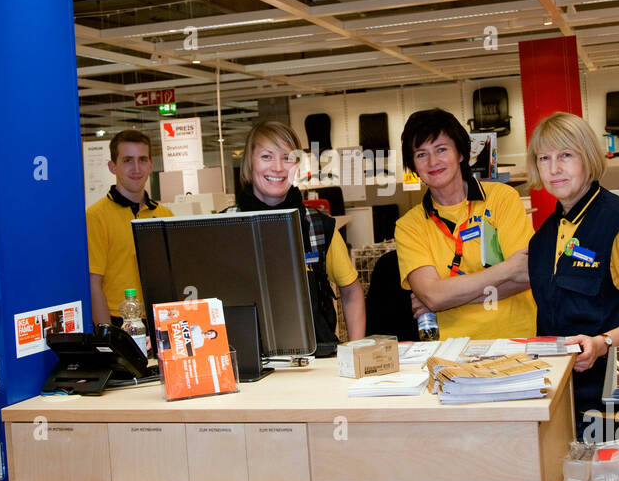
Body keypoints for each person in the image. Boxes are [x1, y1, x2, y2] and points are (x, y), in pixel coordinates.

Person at [526, 112, 619, 426]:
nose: (554, 168)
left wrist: (604, 343)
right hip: (565, 395)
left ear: (587, 158)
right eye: (544, 158)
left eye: (565, 156)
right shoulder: (545, 235)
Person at [393, 109, 534, 339]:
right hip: (451, 351)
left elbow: (527, 275)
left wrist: (447, 298)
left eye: (441, 149)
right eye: (421, 154)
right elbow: (432, 297)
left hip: (516, 340)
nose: (433, 162)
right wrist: (506, 270)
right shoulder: (409, 226)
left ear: (460, 153)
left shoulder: (501, 198)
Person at [228, 120, 364, 350]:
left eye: (287, 157)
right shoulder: (226, 226)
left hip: (314, 358)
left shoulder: (319, 226)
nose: (278, 167)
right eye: (266, 157)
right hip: (247, 361)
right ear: (249, 163)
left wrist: (357, 350)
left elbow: (351, 291)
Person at [86, 128, 173, 327]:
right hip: (119, 321)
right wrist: (107, 336)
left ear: (151, 165)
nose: (136, 168)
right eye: (127, 160)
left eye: (142, 160)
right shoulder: (96, 216)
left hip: (159, 318)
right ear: (112, 166)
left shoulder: (165, 215)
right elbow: (93, 283)